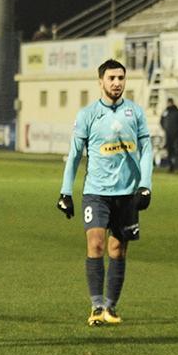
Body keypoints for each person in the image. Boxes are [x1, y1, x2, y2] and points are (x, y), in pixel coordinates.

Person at [57, 59, 153, 326]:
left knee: (118, 249)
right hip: (96, 192)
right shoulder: (88, 114)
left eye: (121, 78)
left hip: (127, 193)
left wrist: (145, 185)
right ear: (100, 82)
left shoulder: (135, 113)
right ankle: (96, 306)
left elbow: (147, 150)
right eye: (111, 78)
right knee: (96, 243)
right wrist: (66, 192)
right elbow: (75, 155)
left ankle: (111, 307)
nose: (116, 83)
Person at [160, 97, 178, 172]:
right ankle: (170, 166)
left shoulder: (177, 111)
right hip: (168, 134)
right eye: (168, 103)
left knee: (177, 150)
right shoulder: (166, 111)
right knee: (169, 150)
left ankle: (177, 166)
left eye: (170, 102)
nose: (169, 104)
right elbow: (161, 121)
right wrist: (165, 128)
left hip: (176, 134)